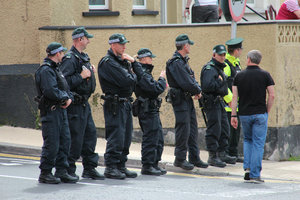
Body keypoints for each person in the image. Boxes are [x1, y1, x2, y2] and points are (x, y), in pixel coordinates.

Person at [98, 33, 144, 179]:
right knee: (116, 136)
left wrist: (132, 65)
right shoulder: (108, 62)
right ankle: (111, 167)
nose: (124, 47)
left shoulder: (122, 61)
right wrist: (132, 74)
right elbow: (128, 81)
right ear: (112, 45)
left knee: (126, 137)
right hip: (115, 104)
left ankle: (121, 166)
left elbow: (136, 78)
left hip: (125, 103)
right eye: (121, 44)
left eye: (125, 44)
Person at [61, 27, 104, 180]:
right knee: (75, 138)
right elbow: (63, 82)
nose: (89, 41)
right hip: (75, 106)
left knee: (90, 136)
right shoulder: (70, 58)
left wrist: (90, 72)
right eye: (87, 38)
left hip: (84, 104)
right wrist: (81, 76)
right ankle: (68, 170)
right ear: (79, 39)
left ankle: (89, 168)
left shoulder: (82, 57)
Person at [35, 42, 78, 184]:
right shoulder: (46, 70)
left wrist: (69, 97)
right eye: (62, 53)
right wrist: (65, 98)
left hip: (61, 111)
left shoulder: (56, 69)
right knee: (52, 143)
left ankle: (61, 171)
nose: (64, 55)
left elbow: (66, 88)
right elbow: (50, 91)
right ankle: (45, 173)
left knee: (65, 142)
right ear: (57, 53)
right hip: (51, 112)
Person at [231, 50, 275, 183]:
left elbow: (234, 97)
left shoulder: (239, 76)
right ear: (259, 61)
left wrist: (233, 114)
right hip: (260, 113)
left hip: (244, 114)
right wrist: (267, 110)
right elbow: (272, 95)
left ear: (248, 59)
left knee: (248, 140)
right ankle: (255, 174)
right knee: (258, 143)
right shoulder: (265, 75)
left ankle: (248, 170)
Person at [166, 34, 208, 170]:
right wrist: (197, 90)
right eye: (189, 45)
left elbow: (191, 78)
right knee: (183, 128)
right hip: (180, 98)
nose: (190, 47)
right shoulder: (176, 62)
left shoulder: (183, 61)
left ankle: (194, 157)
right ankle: (180, 159)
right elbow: (185, 81)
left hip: (186, 98)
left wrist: (197, 89)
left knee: (192, 129)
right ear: (185, 46)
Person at [200, 44, 236, 168]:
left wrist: (221, 85)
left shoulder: (218, 68)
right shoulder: (210, 69)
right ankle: (213, 156)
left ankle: (222, 153)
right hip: (212, 102)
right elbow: (207, 86)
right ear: (214, 54)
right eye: (220, 54)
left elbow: (224, 89)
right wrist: (220, 82)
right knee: (214, 129)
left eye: (224, 54)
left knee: (224, 128)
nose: (222, 57)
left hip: (219, 102)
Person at [134, 48, 167, 176]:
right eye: (150, 57)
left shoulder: (145, 72)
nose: (152, 59)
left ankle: (154, 163)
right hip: (147, 110)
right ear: (143, 59)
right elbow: (155, 89)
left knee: (158, 138)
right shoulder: (142, 73)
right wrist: (162, 79)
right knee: (150, 138)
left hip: (152, 109)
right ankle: (147, 165)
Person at [224, 38, 244, 163]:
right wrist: (231, 101)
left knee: (236, 131)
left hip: (237, 105)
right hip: (229, 105)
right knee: (229, 131)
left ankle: (234, 153)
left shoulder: (237, 63)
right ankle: (227, 154)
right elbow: (224, 85)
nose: (241, 51)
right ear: (236, 50)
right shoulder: (226, 65)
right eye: (240, 49)